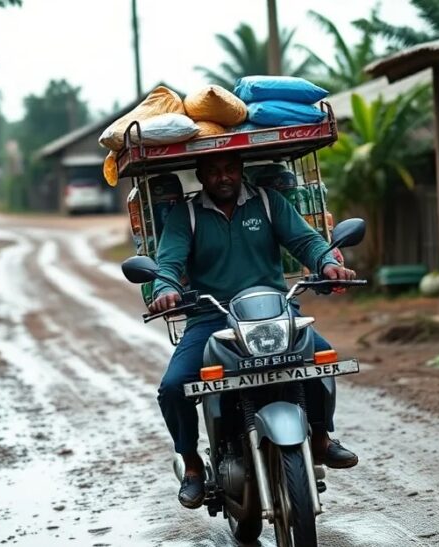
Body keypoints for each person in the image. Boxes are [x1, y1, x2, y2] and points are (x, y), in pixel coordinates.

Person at [150, 152, 358, 509]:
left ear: (240, 169)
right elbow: (169, 262)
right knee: (173, 387)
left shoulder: (268, 202)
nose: (223, 177)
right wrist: (164, 288)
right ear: (200, 175)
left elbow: (306, 241)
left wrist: (327, 263)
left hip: (274, 311)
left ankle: (321, 437)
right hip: (212, 318)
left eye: (230, 168)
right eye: (214, 171)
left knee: (321, 358)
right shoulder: (187, 216)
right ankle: (193, 465)